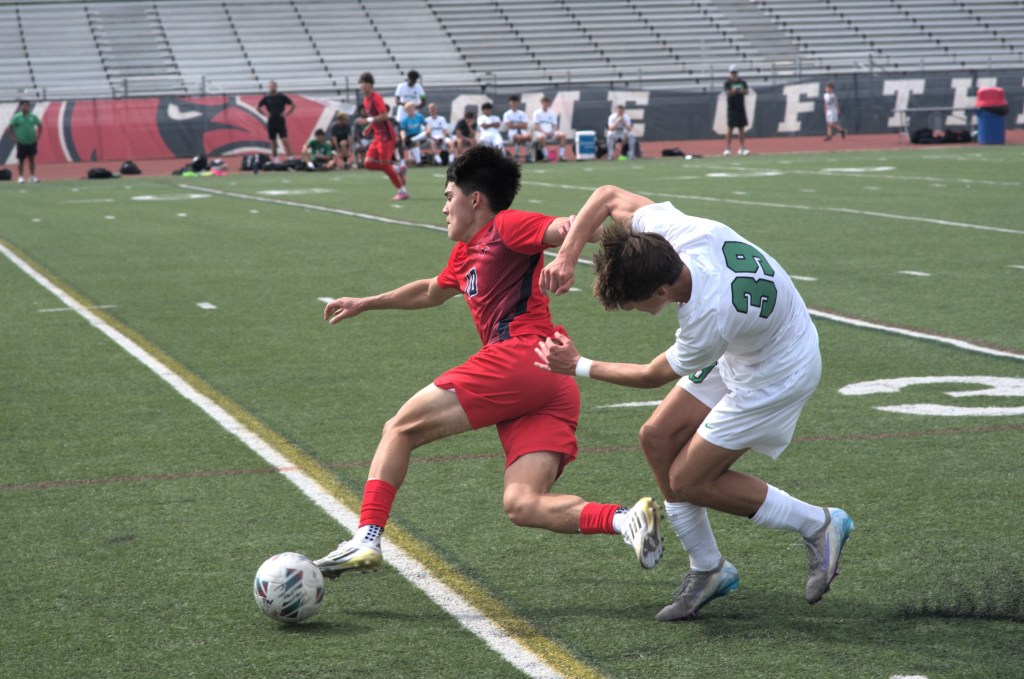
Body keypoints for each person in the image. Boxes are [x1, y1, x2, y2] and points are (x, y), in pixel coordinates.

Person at [313, 147, 664, 583]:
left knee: (399, 428)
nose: (443, 208)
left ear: (474, 199)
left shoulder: (506, 226)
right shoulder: (464, 255)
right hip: (551, 379)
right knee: (523, 503)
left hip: (521, 356)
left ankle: (366, 537)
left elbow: (561, 228)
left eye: (448, 196)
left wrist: (572, 240)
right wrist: (367, 303)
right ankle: (626, 519)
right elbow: (430, 291)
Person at [535, 185, 854, 622]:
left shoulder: (706, 314)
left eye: (632, 304)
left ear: (662, 292)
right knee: (656, 437)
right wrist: (568, 255)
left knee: (688, 480)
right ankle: (709, 569)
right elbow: (607, 195)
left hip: (779, 371)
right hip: (748, 343)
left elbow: (651, 376)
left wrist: (578, 365)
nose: (631, 310)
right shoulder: (672, 234)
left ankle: (818, 523)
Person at [357, 72, 408, 200]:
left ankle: (402, 191)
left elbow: (384, 115)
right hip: (378, 136)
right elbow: (375, 119)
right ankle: (397, 169)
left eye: (363, 83)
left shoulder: (376, 97)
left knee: (385, 165)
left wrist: (367, 121)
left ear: (369, 85)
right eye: (360, 83)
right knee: (368, 163)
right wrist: (369, 128)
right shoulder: (366, 99)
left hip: (386, 136)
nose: (361, 86)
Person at [257, 80, 296, 162]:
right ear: (268, 87)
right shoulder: (266, 98)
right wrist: (265, 114)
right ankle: (276, 158)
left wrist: (286, 113)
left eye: (274, 86)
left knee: (285, 140)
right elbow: (258, 107)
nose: (272, 87)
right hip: (271, 121)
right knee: (273, 141)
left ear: (276, 87)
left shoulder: (282, 97)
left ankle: (290, 157)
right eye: (271, 86)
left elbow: (293, 105)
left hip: (280, 121)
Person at [9, 100, 42, 184]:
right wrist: (14, 138)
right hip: (21, 142)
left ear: (29, 106)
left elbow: (40, 125)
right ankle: (20, 177)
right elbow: (10, 128)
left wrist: (37, 136)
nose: (25, 107)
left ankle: (32, 176)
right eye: (23, 105)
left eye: (27, 105)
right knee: (21, 160)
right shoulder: (17, 117)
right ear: (20, 107)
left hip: (31, 141)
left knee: (32, 159)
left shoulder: (33, 116)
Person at [723, 66, 750, 156]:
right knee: (730, 128)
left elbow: (746, 91)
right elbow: (727, 92)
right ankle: (727, 148)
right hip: (732, 108)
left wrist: (741, 91)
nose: (734, 74)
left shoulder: (742, 82)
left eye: (735, 72)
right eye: (732, 72)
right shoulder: (727, 82)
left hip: (740, 108)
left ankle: (742, 148)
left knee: (741, 128)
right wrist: (734, 91)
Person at [533, 96, 567, 162]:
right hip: (541, 132)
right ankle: (546, 157)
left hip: (551, 133)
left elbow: (554, 125)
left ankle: (561, 156)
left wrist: (552, 132)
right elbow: (536, 126)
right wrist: (544, 132)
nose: (545, 104)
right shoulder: (537, 113)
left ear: (549, 104)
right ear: (541, 103)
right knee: (541, 137)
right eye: (544, 103)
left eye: (547, 103)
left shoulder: (552, 113)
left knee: (563, 135)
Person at [502, 95, 532, 163]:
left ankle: (528, 155)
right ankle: (516, 155)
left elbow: (525, 125)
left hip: (522, 131)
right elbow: (510, 126)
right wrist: (520, 124)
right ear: (509, 103)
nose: (514, 104)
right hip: (512, 132)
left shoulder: (522, 113)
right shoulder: (507, 114)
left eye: (515, 102)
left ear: (518, 103)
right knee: (519, 137)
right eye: (512, 102)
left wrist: (514, 124)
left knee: (528, 137)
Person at [399, 101, 428, 166]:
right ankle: (418, 161)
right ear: (406, 110)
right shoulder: (404, 120)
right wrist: (403, 137)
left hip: (419, 135)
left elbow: (426, 124)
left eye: (412, 108)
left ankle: (417, 160)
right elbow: (402, 130)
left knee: (425, 134)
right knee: (415, 142)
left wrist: (428, 129)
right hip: (409, 136)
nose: (411, 110)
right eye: (409, 108)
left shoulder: (419, 116)